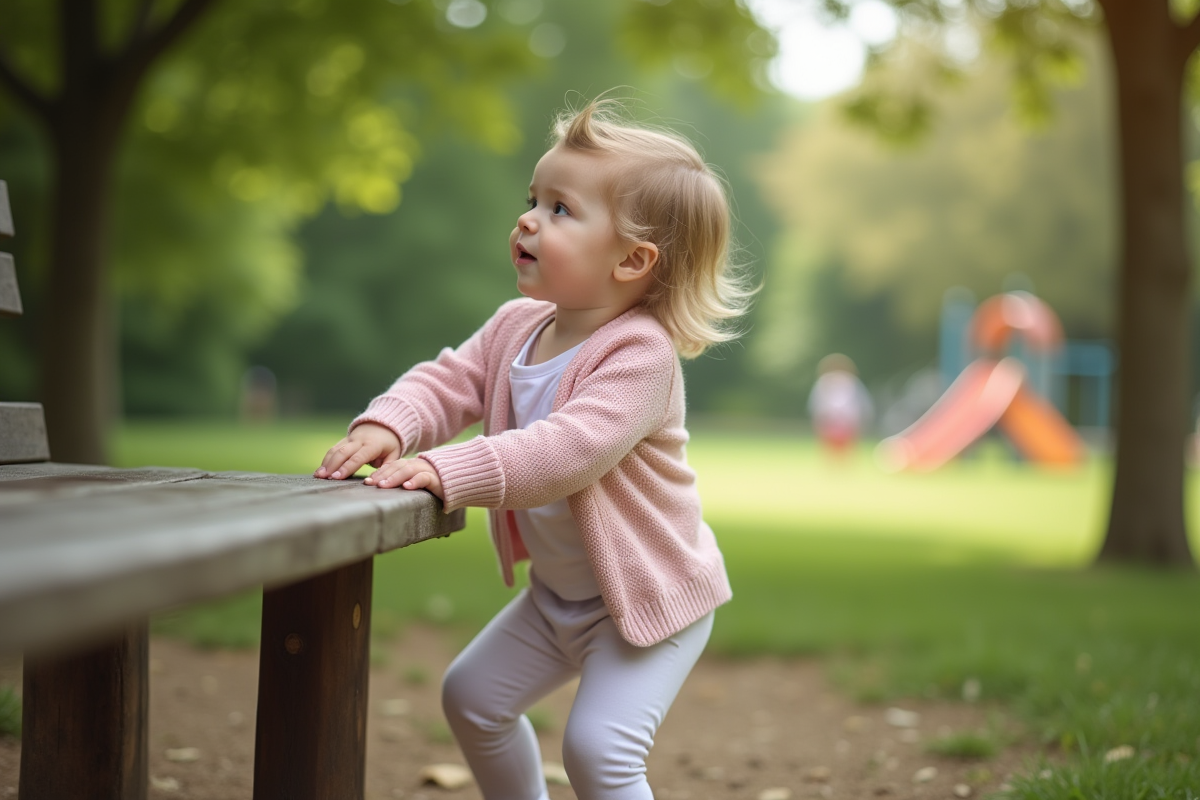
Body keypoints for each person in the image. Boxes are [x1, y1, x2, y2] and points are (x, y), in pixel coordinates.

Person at [315, 97, 752, 800]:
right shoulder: (517, 324)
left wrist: (444, 468)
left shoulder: (641, 357)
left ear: (633, 260)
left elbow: (565, 451)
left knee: (598, 751)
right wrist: (392, 425)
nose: (528, 219)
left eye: (560, 210)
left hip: (649, 603)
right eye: (533, 199)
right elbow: (450, 379)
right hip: (561, 598)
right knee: (473, 699)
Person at [807, 353, 873, 457]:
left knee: (846, 450)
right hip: (829, 421)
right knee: (830, 450)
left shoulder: (853, 383)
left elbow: (861, 404)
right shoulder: (823, 383)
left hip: (848, 422)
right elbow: (817, 405)